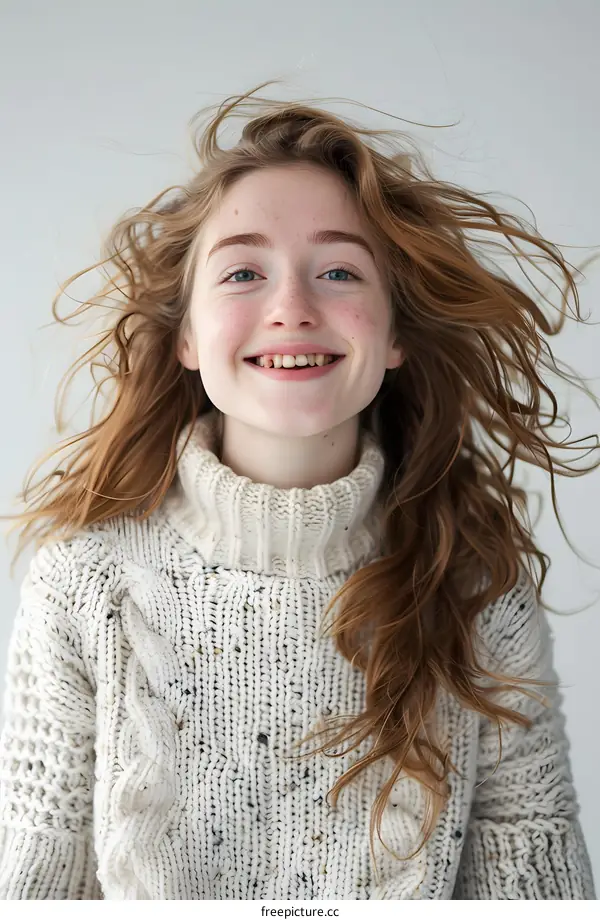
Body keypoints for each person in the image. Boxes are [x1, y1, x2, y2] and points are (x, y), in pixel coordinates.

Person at [0, 80, 597, 900]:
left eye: (340, 271)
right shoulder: (82, 586)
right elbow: (30, 888)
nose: (290, 307)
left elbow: (539, 886)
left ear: (393, 335)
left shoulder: (477, 592)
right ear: (185, 336)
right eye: (244, 271)